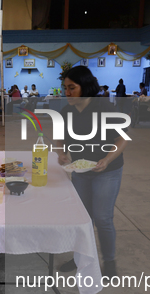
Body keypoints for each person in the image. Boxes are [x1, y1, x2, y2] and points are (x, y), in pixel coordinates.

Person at [56, 66, 128, 277]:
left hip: (107, 171)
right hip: (81, 171)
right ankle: (80, 257)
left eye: (72, 88)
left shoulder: (104, 108)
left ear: (85, 87)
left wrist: (106, 159)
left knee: (103, 218)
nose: (67, 93)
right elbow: (60, 137)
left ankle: (110, 262)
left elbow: (122, 139)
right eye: (65, 88)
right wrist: (61, 153)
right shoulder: (66, 112)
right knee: (83, 218)